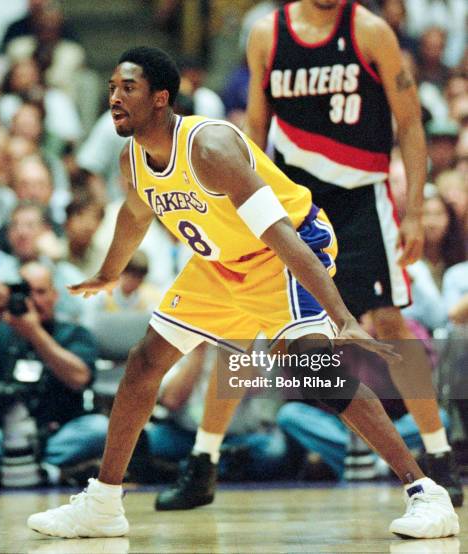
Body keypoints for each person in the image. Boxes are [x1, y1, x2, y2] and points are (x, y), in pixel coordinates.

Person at [26, 46, 458, 540]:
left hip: (285, 251)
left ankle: (427, 492)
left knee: (313, 370)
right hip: (222, 263)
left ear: (161, 98)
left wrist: (341, 316)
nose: (115, 99)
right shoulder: (133, 160)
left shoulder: (210, 149)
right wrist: (108, 272)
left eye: (128, 88)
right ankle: (103, 502)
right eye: (111, 89)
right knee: (145, 362)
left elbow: (281, 236)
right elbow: (135, 214)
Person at [164, 0, 463, 512]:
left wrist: (413, 208)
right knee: (240, 326)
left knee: (389, 321)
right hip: (289, 202)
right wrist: (241, 208)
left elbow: (411, 125)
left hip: (361, 200)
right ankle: (203, 462)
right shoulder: (266, 35)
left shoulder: (370, 32)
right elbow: (252, 134)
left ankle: (438, 455)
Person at [0, 262, 107, 481]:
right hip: (1, 434)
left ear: (55, 295)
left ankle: (16, 464)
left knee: (99, 428)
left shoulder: (74, 333)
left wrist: (34, 332)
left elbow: (80, 378)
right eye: (25, 292)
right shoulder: (0, 330)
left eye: (40, 292)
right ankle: (45, 470)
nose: (33, 299)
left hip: (58, 432)